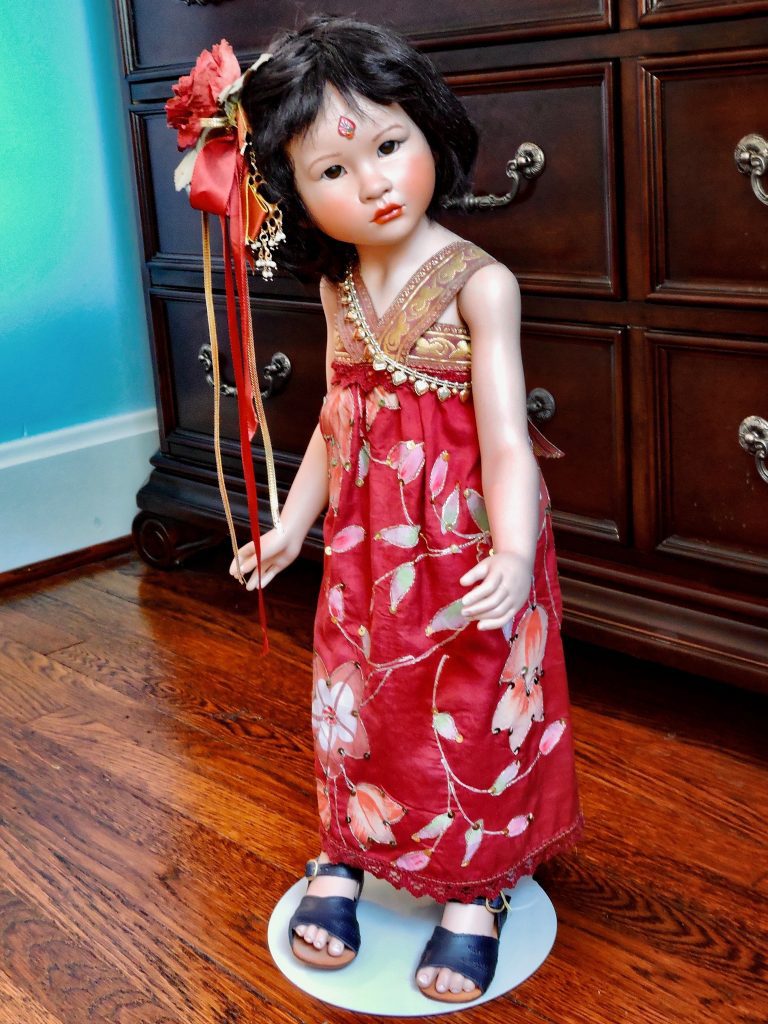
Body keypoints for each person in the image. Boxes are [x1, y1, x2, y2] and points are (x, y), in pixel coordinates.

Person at [212, 14, 582, 1003]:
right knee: (361, 690)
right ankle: (350, 848)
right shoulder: (339, 286)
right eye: (333, 170)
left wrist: (511, 550)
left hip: (465, 536)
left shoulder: (479, 285)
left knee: (468, 697)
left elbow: (506, 438)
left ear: (429, 134)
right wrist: (295, 524)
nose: (372, 182)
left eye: (388, 145)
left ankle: (477, 884)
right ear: (294, 191)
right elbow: (338, 417)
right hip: (370, 543)